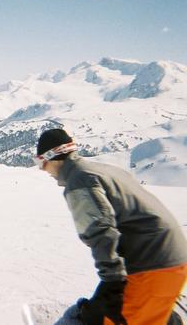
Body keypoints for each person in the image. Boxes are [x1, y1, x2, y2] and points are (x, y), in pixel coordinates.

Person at [35, 128, 187, 325]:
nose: (41, 169)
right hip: (166, 256)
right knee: (141, 314)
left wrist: (113, 281)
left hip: (154, 265)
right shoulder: (102, 170)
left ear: (52, 156)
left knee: (113, 320)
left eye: (40, 162)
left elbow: (100, 232)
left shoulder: (79, 181)